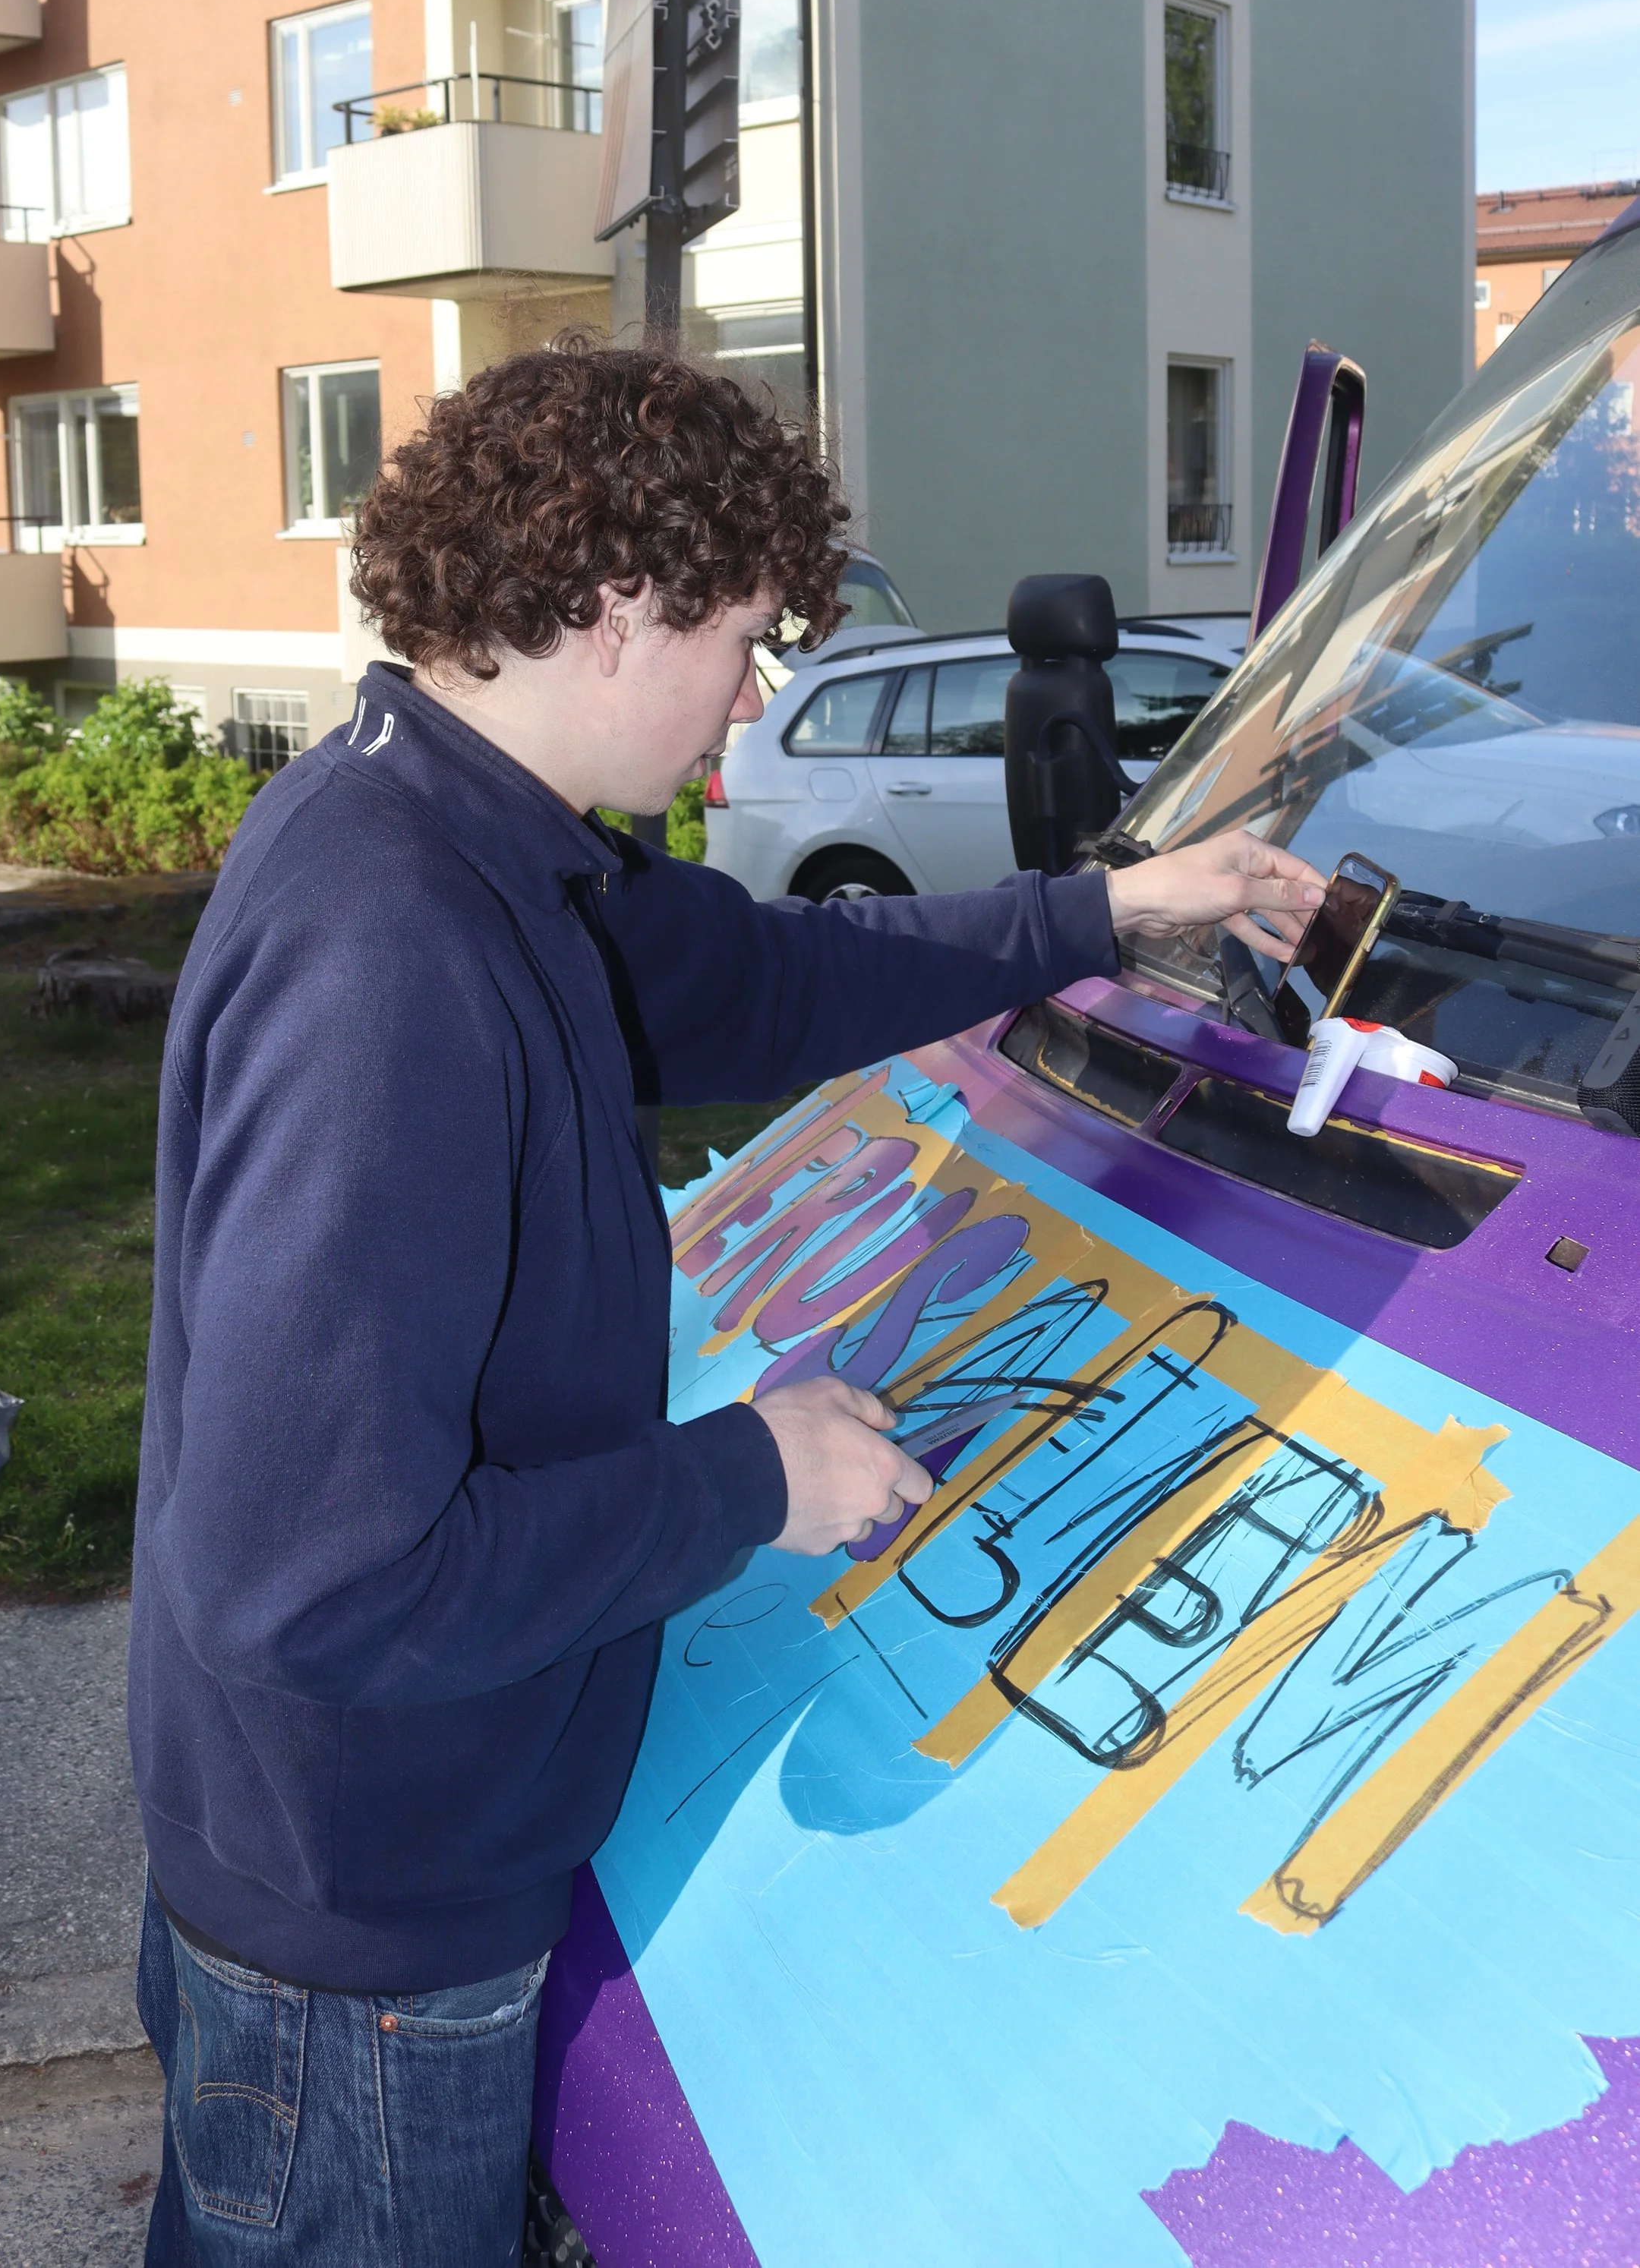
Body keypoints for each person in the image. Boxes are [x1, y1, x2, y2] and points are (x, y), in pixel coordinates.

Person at [129, 339, 1323, 2266]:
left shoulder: (480, 847)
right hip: (361, 1935)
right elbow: (307, 1577)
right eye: (746, 640)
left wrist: (1105, 913)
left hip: (345, 1867)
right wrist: (742, 1485)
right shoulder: (397, 957)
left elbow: (764, 983)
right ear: (616, 611)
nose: (750, 697)